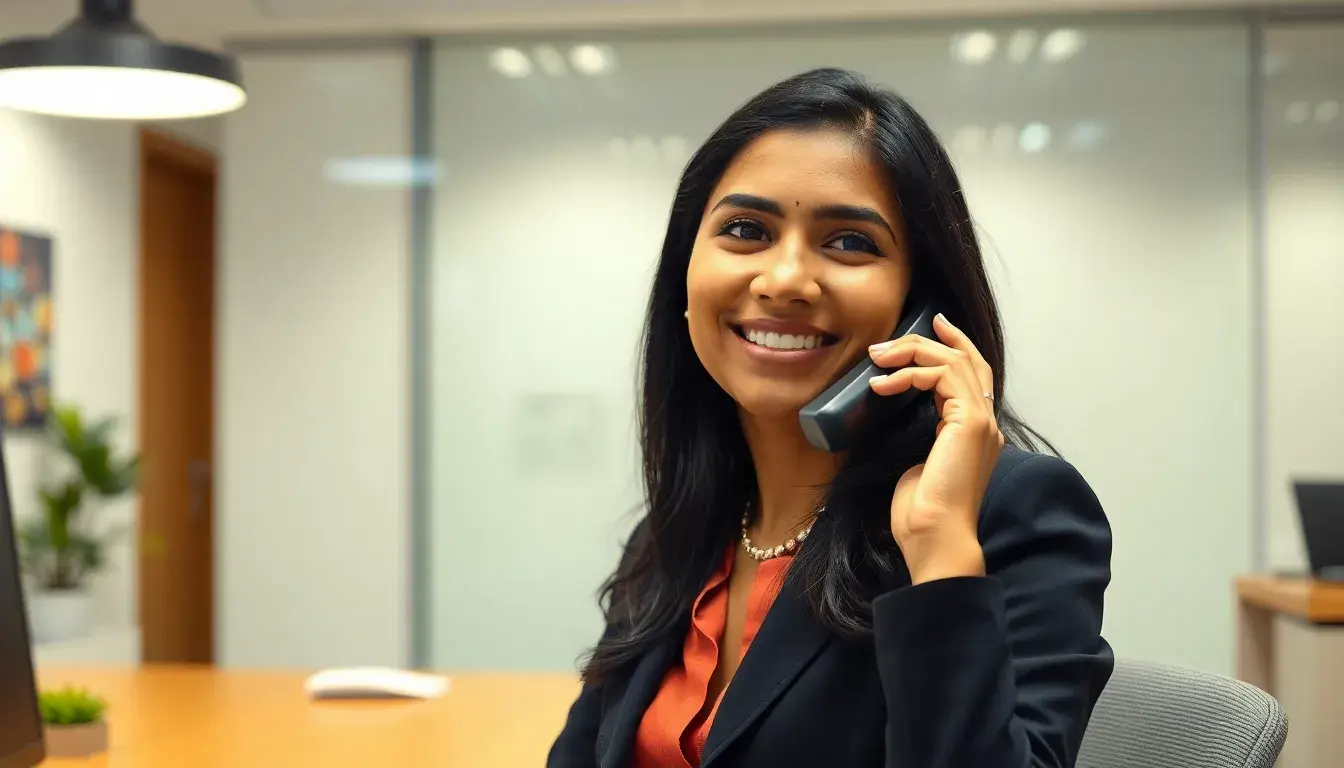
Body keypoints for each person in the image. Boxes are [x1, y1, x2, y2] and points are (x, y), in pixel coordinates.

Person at [547, 67, 1113, 768]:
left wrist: (939, 551)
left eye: (849, 242)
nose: (784, 280)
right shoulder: (678, 534)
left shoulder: (1012, 513)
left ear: (918, 307)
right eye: (746, 230)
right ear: (685, 283)